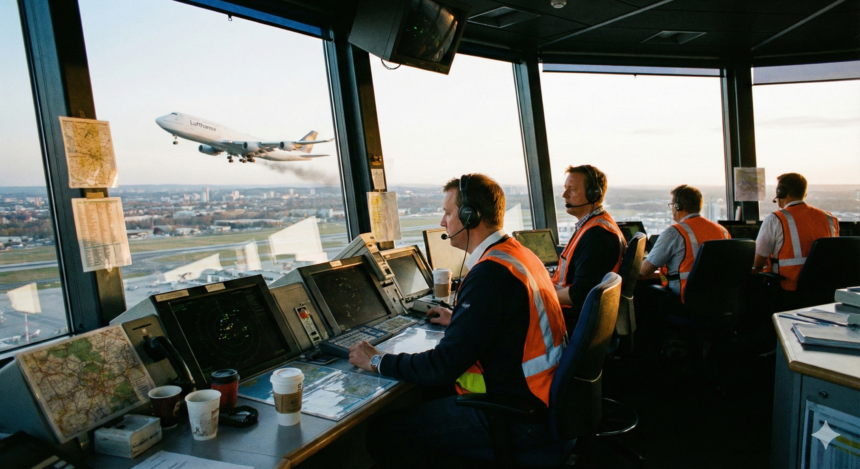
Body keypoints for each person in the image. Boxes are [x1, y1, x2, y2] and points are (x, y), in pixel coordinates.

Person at [348, 173, 567, 467]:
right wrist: (462, 320)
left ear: (469, 216)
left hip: (516, 416)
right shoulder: (517, 254)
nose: (443, 222)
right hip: (543, 399)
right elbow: (510, 321)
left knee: (384, 432)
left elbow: (441, 367)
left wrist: (376, 360)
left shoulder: (491, 273)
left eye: (448, 213)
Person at [553, 165, 626, 330]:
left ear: (594, 194)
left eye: (572, 189)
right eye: (565, 189)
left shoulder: (597, 236)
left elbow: (579, 294)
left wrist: (543, 296)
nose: (564, 195)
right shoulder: (592, 226)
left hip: (574, 320)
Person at [639, 184, 730, 302]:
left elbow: (645, 270)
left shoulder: (674, 232)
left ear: (678, 206)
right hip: (720, 301)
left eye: (672, 205)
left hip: (686, 301)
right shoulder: (723, 231)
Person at [754, 173, 839, 290]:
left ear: (781, 192)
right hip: (824, 287)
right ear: (804, 193)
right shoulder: (829, 218)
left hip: (788, 287)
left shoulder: (776, 219)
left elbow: (758, 262)